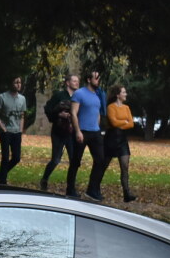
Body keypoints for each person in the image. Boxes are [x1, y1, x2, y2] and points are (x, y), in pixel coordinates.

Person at [39, 73, 81, 193]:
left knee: (74, 161)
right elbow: (48, 109)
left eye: (78, 81)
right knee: (56, 159)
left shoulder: (79, 97)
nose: (77, 83)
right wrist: (59, 114)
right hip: (59, 131)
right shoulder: (59, 95)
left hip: (72, 133)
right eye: (74, 81)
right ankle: (44, 179)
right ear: (67, 83)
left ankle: (71, 187)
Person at [71, 71, 109, 200]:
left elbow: (97, 113)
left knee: (100, 161)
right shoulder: (79, 93)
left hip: (95, 132)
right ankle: (70, 189)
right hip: (82, 131)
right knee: (76, 162)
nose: (98, 80)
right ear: (89, 79)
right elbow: (73, 113)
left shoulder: (97, 95)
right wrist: (77, 131)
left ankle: (92, 190)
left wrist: (97, 128)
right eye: (96, 78)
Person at [104, 84, 138, 202]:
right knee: (103, 165)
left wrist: (122, 123)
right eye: (124, 92)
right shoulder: (111, 107)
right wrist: (124, 121)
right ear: (118, 95)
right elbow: (113, 123)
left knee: (125, 166)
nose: (126, 94)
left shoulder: (126, 108)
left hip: (122, 140)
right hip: (111, 139)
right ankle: (94, 188)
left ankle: (126, 193)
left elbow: (131, 124)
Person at [0, 76, 27, 184]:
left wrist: (21, 129)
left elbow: (22, 115)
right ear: (10, 84)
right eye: (16, 82)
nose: (18, 85)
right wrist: (2, 128)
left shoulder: (22, 99)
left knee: (16, 157)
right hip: (6, 131)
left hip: (17, 131)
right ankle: (2, 180)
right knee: (5, 156)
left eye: (20, 82)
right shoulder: (2, 97)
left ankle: (1, 173)